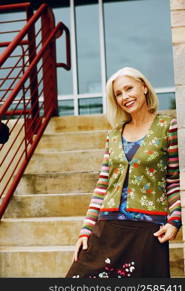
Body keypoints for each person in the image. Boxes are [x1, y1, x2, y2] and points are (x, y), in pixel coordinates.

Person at [66, 67, 181, 278]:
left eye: (129, 89)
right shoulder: (113, 134)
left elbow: (173, 180)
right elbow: (103, 185)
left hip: (147, 230)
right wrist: (86, 230)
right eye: (118, 94)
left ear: (144, 87)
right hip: (107, 227)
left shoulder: (167, 127)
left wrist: (175, 221)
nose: (124, 97)